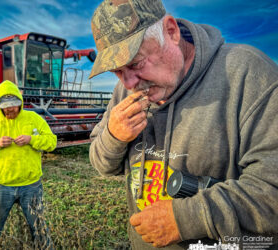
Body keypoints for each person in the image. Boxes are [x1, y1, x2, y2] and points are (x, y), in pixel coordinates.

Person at [88, 0, 278, 249]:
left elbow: (271, 191)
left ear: (171, 31)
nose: (129, 83)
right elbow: (102, 165)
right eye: (117, 71)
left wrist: (186, 219)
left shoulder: (248, 75)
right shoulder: (125, 91)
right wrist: (113, 136)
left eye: (136, 63)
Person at [0, 80, 56, 250]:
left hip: (31, 185)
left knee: (39, 228)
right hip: (1, 186)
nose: (10, 109)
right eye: (6, 106)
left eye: (13, 105)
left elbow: (52, 142)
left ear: (20, 102)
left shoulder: (33, 119)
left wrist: (32, 139)